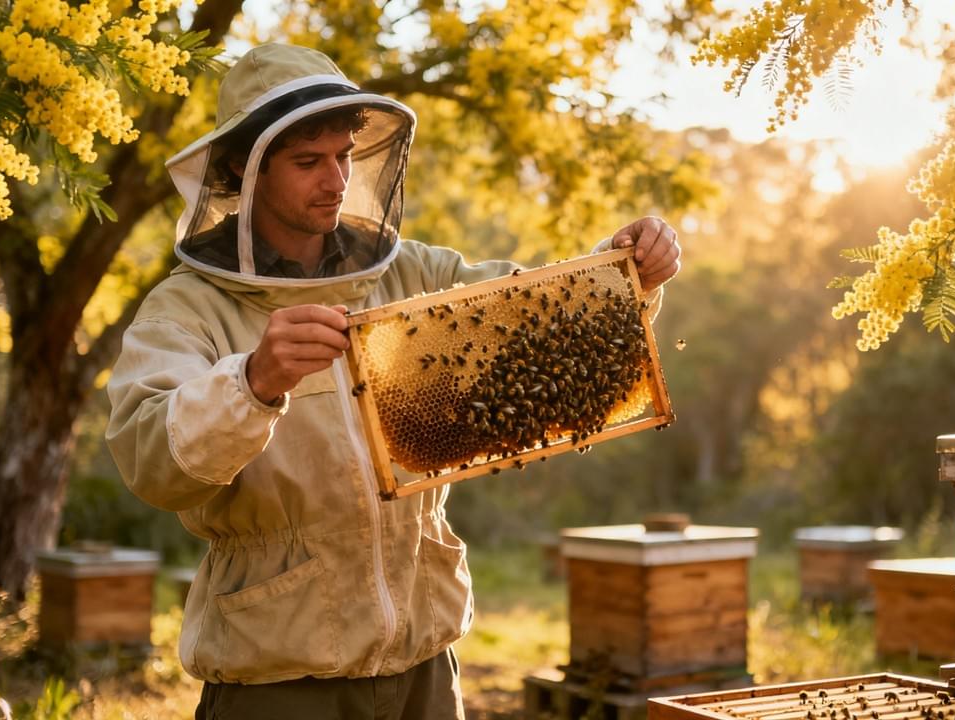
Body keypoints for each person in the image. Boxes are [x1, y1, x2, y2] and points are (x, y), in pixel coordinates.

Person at [105, 43, 680, 719]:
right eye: (308, 161)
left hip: (425, 666)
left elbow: (533, 323)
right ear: (244, 167)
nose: (336, 179)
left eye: (345, 155)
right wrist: (252, 382)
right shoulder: (188, 309)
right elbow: (151, 461)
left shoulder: (415, 275)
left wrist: (625, 275)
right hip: (277, 679)